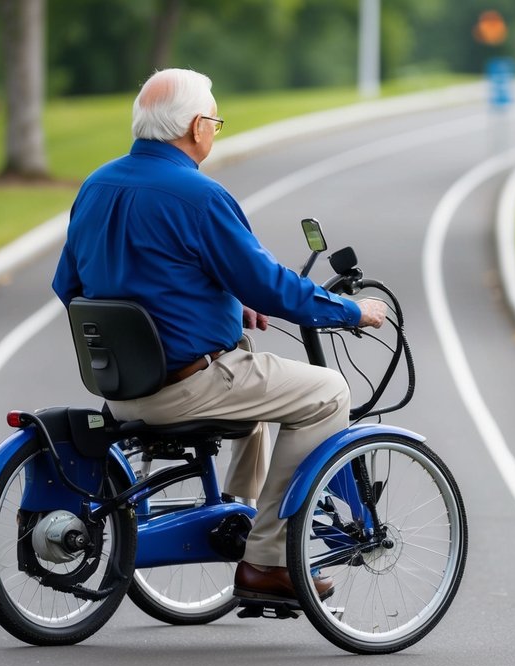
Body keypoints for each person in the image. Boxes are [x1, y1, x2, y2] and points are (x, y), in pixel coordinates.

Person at [52, 67, 387, 605]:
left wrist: (221, 304)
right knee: (327, 392)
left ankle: (237, 518)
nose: (215, 129)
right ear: (193, 127)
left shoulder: (96, 187)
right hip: (186, 387)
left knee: (251, 375)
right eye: (214, 119)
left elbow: (70, 286)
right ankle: (269, 559)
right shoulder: (200, 197)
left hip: (120, 392)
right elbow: (272, 285)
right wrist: (349, 310)